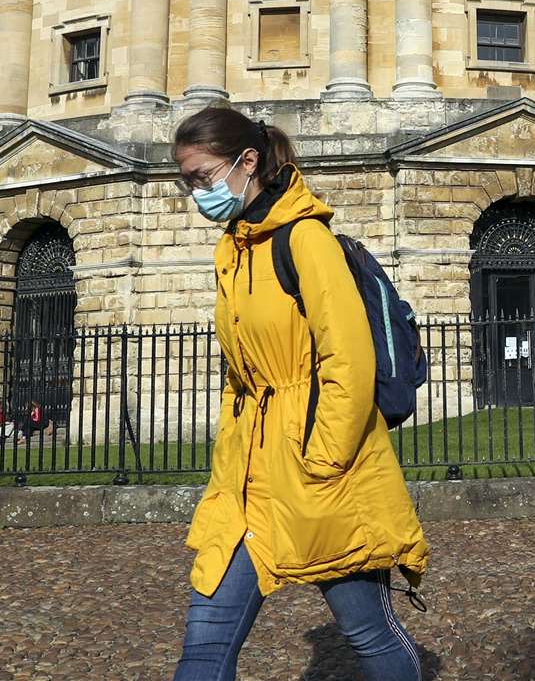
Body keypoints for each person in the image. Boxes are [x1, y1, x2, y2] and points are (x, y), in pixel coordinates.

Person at [172, 104, 427, 681]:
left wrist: (325, 458)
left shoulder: (305, 238)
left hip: (321, 472)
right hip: (248, 480)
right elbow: (244, 375)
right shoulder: (231, 249)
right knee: (204, 646)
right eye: (187, 182)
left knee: (368, 633)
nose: (196, 195)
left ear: (248, 161)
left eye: (203, 178)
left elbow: (350, 359)